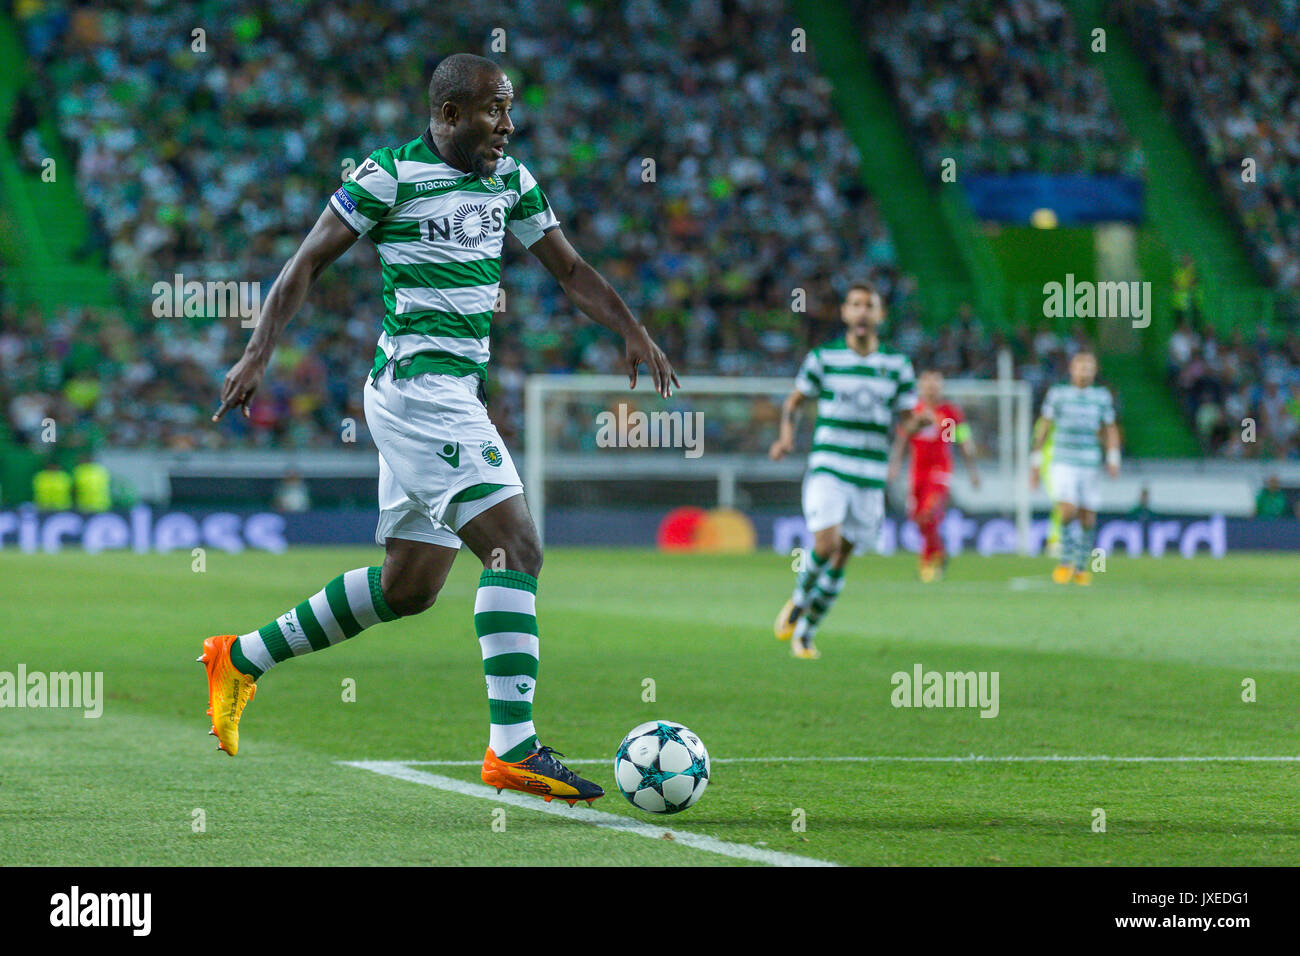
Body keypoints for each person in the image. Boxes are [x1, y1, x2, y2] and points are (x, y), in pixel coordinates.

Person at [205, 54, 677, 807]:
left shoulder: (511, 181)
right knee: (515, 546)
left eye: (511, 109)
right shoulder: (386, 176)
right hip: (421, 392)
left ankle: (239, 658)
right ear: (449, 114)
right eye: (494, 110)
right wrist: (257, 351)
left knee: (410, 587)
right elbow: (306, 263)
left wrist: (632, 328)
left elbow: (571, 270)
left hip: (444, 392)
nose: (508, 125)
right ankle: (512, 748)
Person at [769, 283, 917, 659]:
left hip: (869, 475)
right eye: (855, 305)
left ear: (880, 315)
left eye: (870, 305)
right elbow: (795, 402)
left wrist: (925, 423)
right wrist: (786, 438)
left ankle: (807, 632)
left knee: (843, 555)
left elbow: (906, 421)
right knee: (826, 543)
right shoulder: (824, 358)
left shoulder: (897, 366)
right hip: (829, 466)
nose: (862, 311)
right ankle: (799, 600)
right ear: (845, 314)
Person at [1030, 351, 1120, 585]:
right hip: (1063, 461)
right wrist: (1036, 461)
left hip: (1089, 462)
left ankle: (1081, 566)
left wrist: (1113, 457)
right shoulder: (1058, 394)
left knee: (1087, 518)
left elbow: (1110, 428)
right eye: (1081, 367)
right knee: (1068, 511)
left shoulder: (1101, 397)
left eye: (1089, 368)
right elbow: (1045, 426)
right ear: (1071, 369)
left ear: (1095, 371)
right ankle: (1065, 562)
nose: (1085, 372)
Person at [887, 370, 980, 581]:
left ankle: (928, 560)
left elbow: (960, 442)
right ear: (920, 387)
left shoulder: (949, 413)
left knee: (929, 514)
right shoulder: (913, 411)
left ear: (941, 387)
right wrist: (894, 465)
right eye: (927, 384)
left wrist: (972, 470)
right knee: (918, 518)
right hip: (917, 472)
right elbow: (903, 439)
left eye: (935, 385)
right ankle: (938, 553)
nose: (931, 388)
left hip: (940, 471)